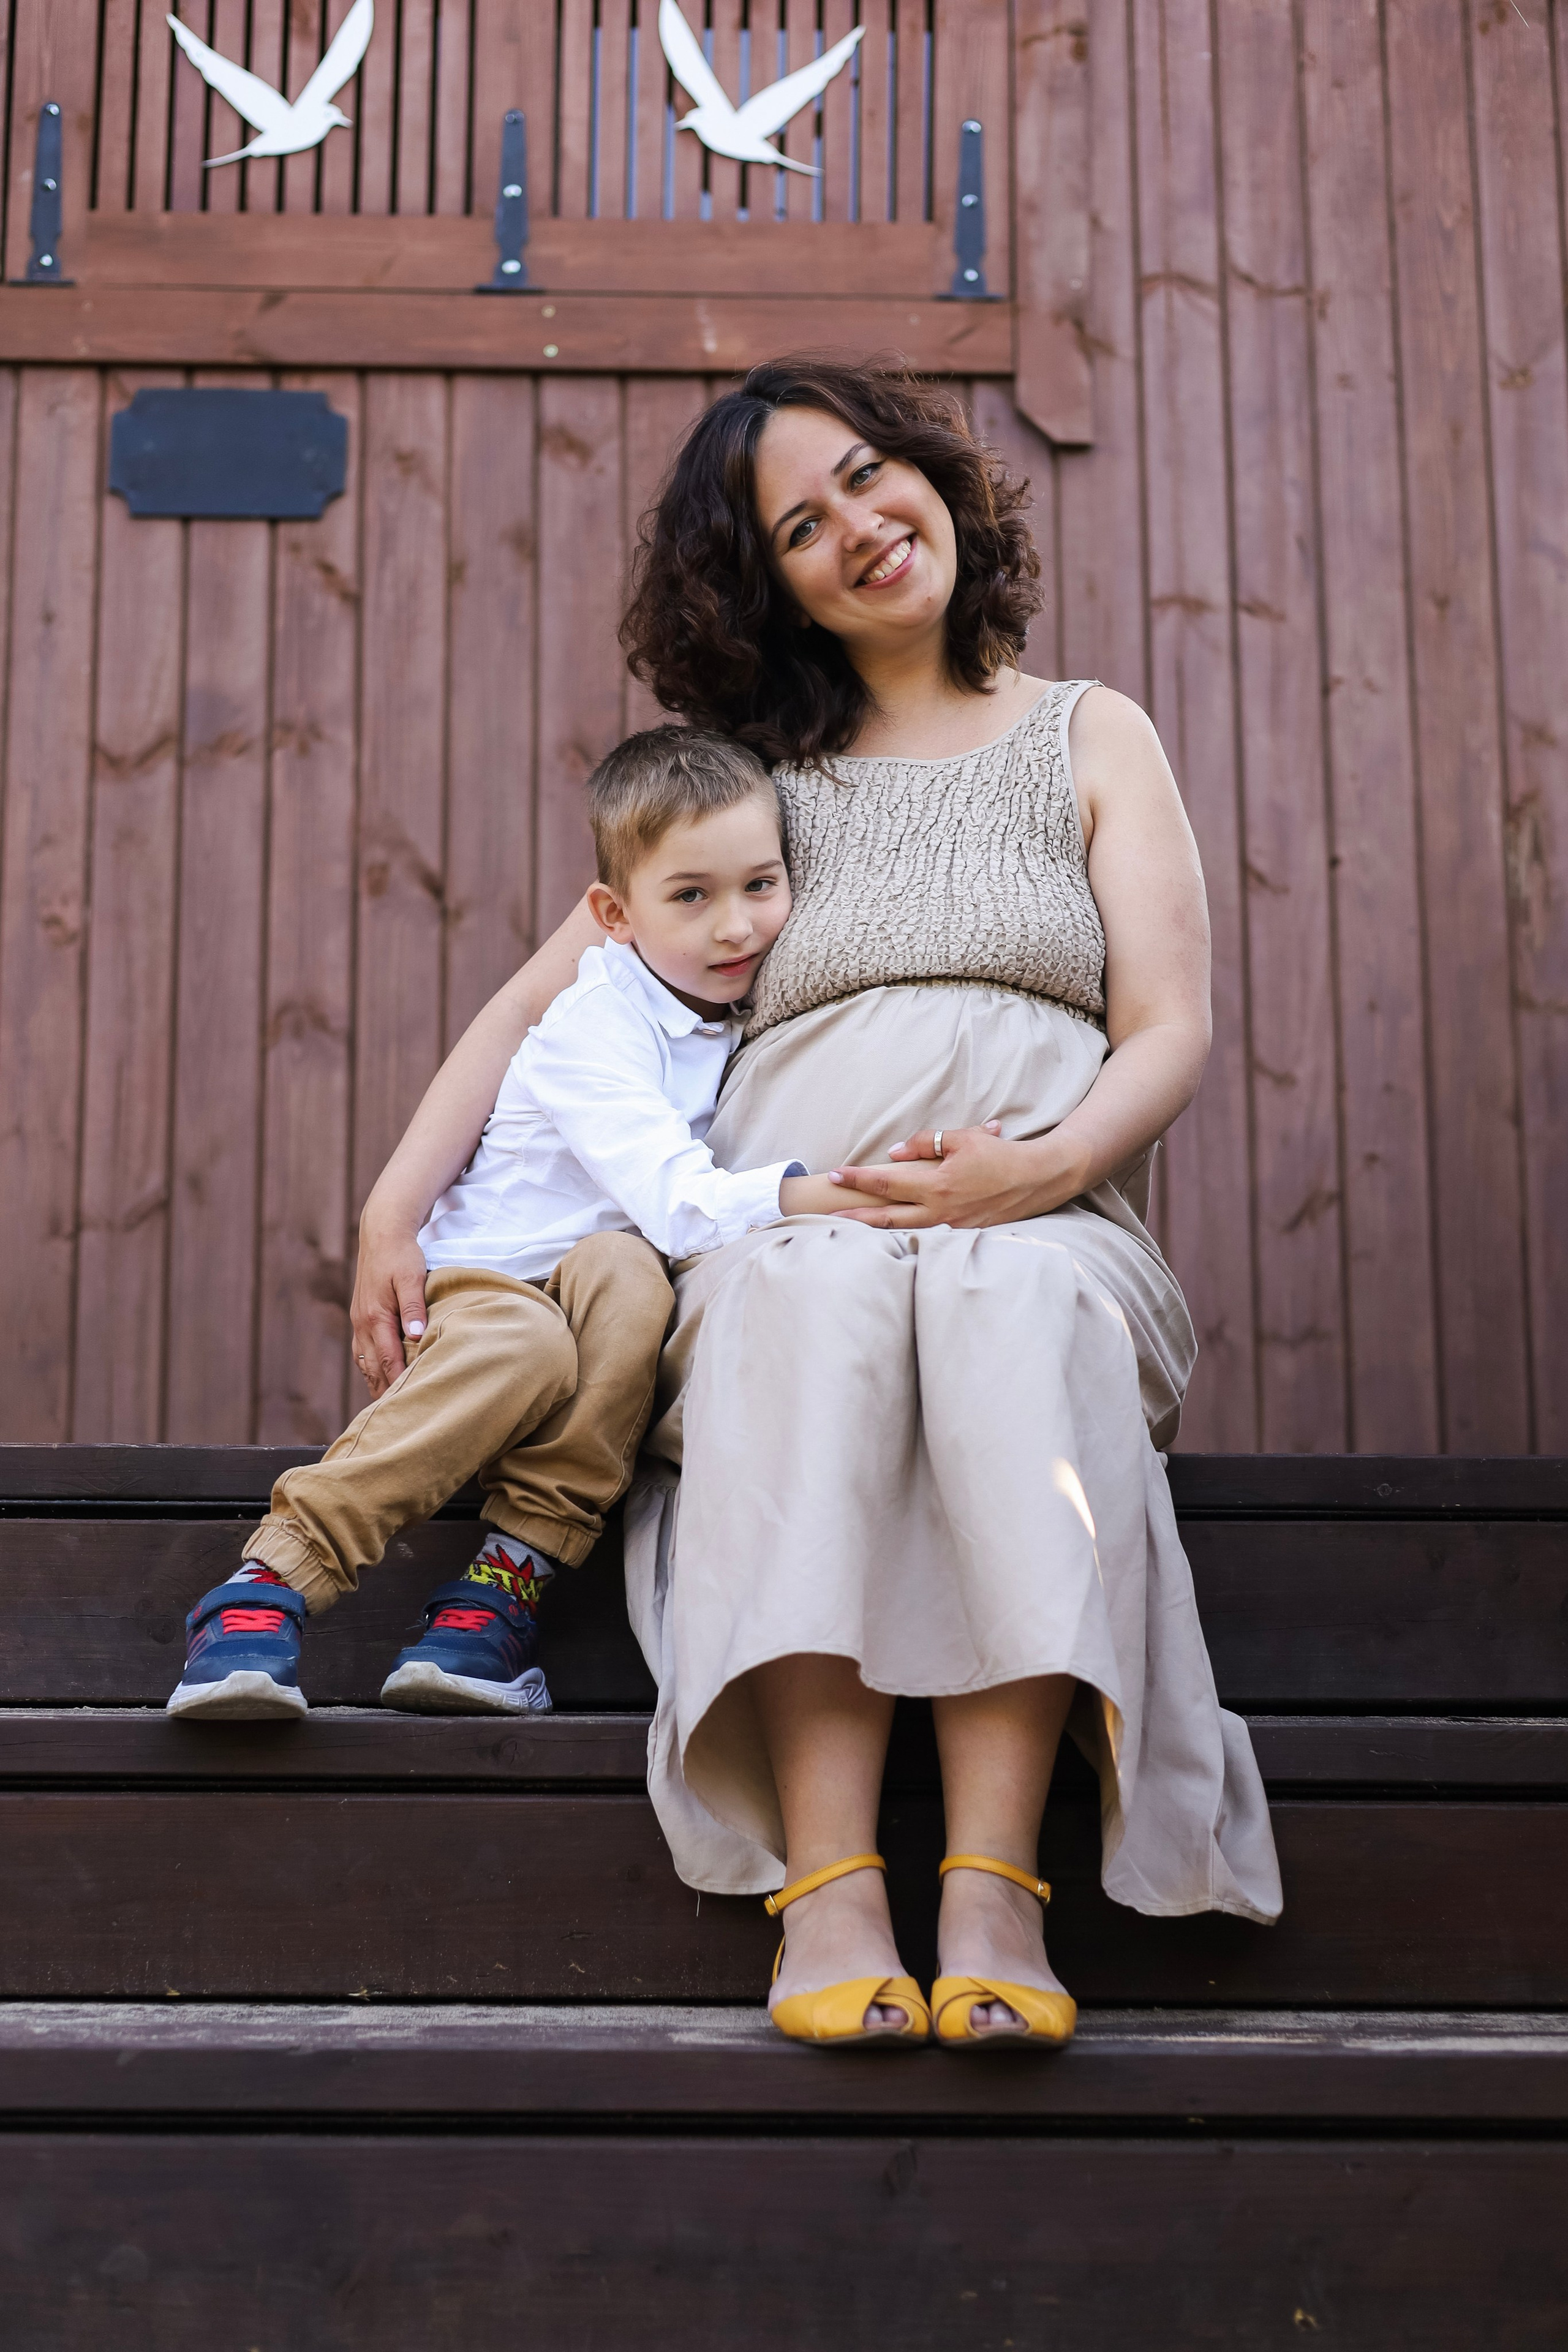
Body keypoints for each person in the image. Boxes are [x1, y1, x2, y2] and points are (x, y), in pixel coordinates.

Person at [349, 356, 1284, 2050]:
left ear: (933, 472)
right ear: (763, 579)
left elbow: (1171, 1030)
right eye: (801, 524)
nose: (860, 527)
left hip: (1046, 1221)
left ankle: (996, 1883)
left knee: (1007, 1308)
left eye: (870, 476)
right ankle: (833, 1881)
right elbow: (535, 1006)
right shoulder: (752, 783)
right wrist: (392, 1209)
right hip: (788, 1224)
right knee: (803, 1302)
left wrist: (1041, 1169)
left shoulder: (1090, 734)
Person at [167, 728, 842, 1724]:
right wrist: (815, 1192)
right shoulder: (593, 1021)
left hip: (589, 1296)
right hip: (487, 1287)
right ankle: (270, 1584)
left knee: (629, 1276)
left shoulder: (716, 1013)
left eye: (761, 886)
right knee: (534, 1335)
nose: (737, 926)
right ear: (613, 915)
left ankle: (497, 1594)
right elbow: (675, 1198)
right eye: (691, 897)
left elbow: (645, 1238)